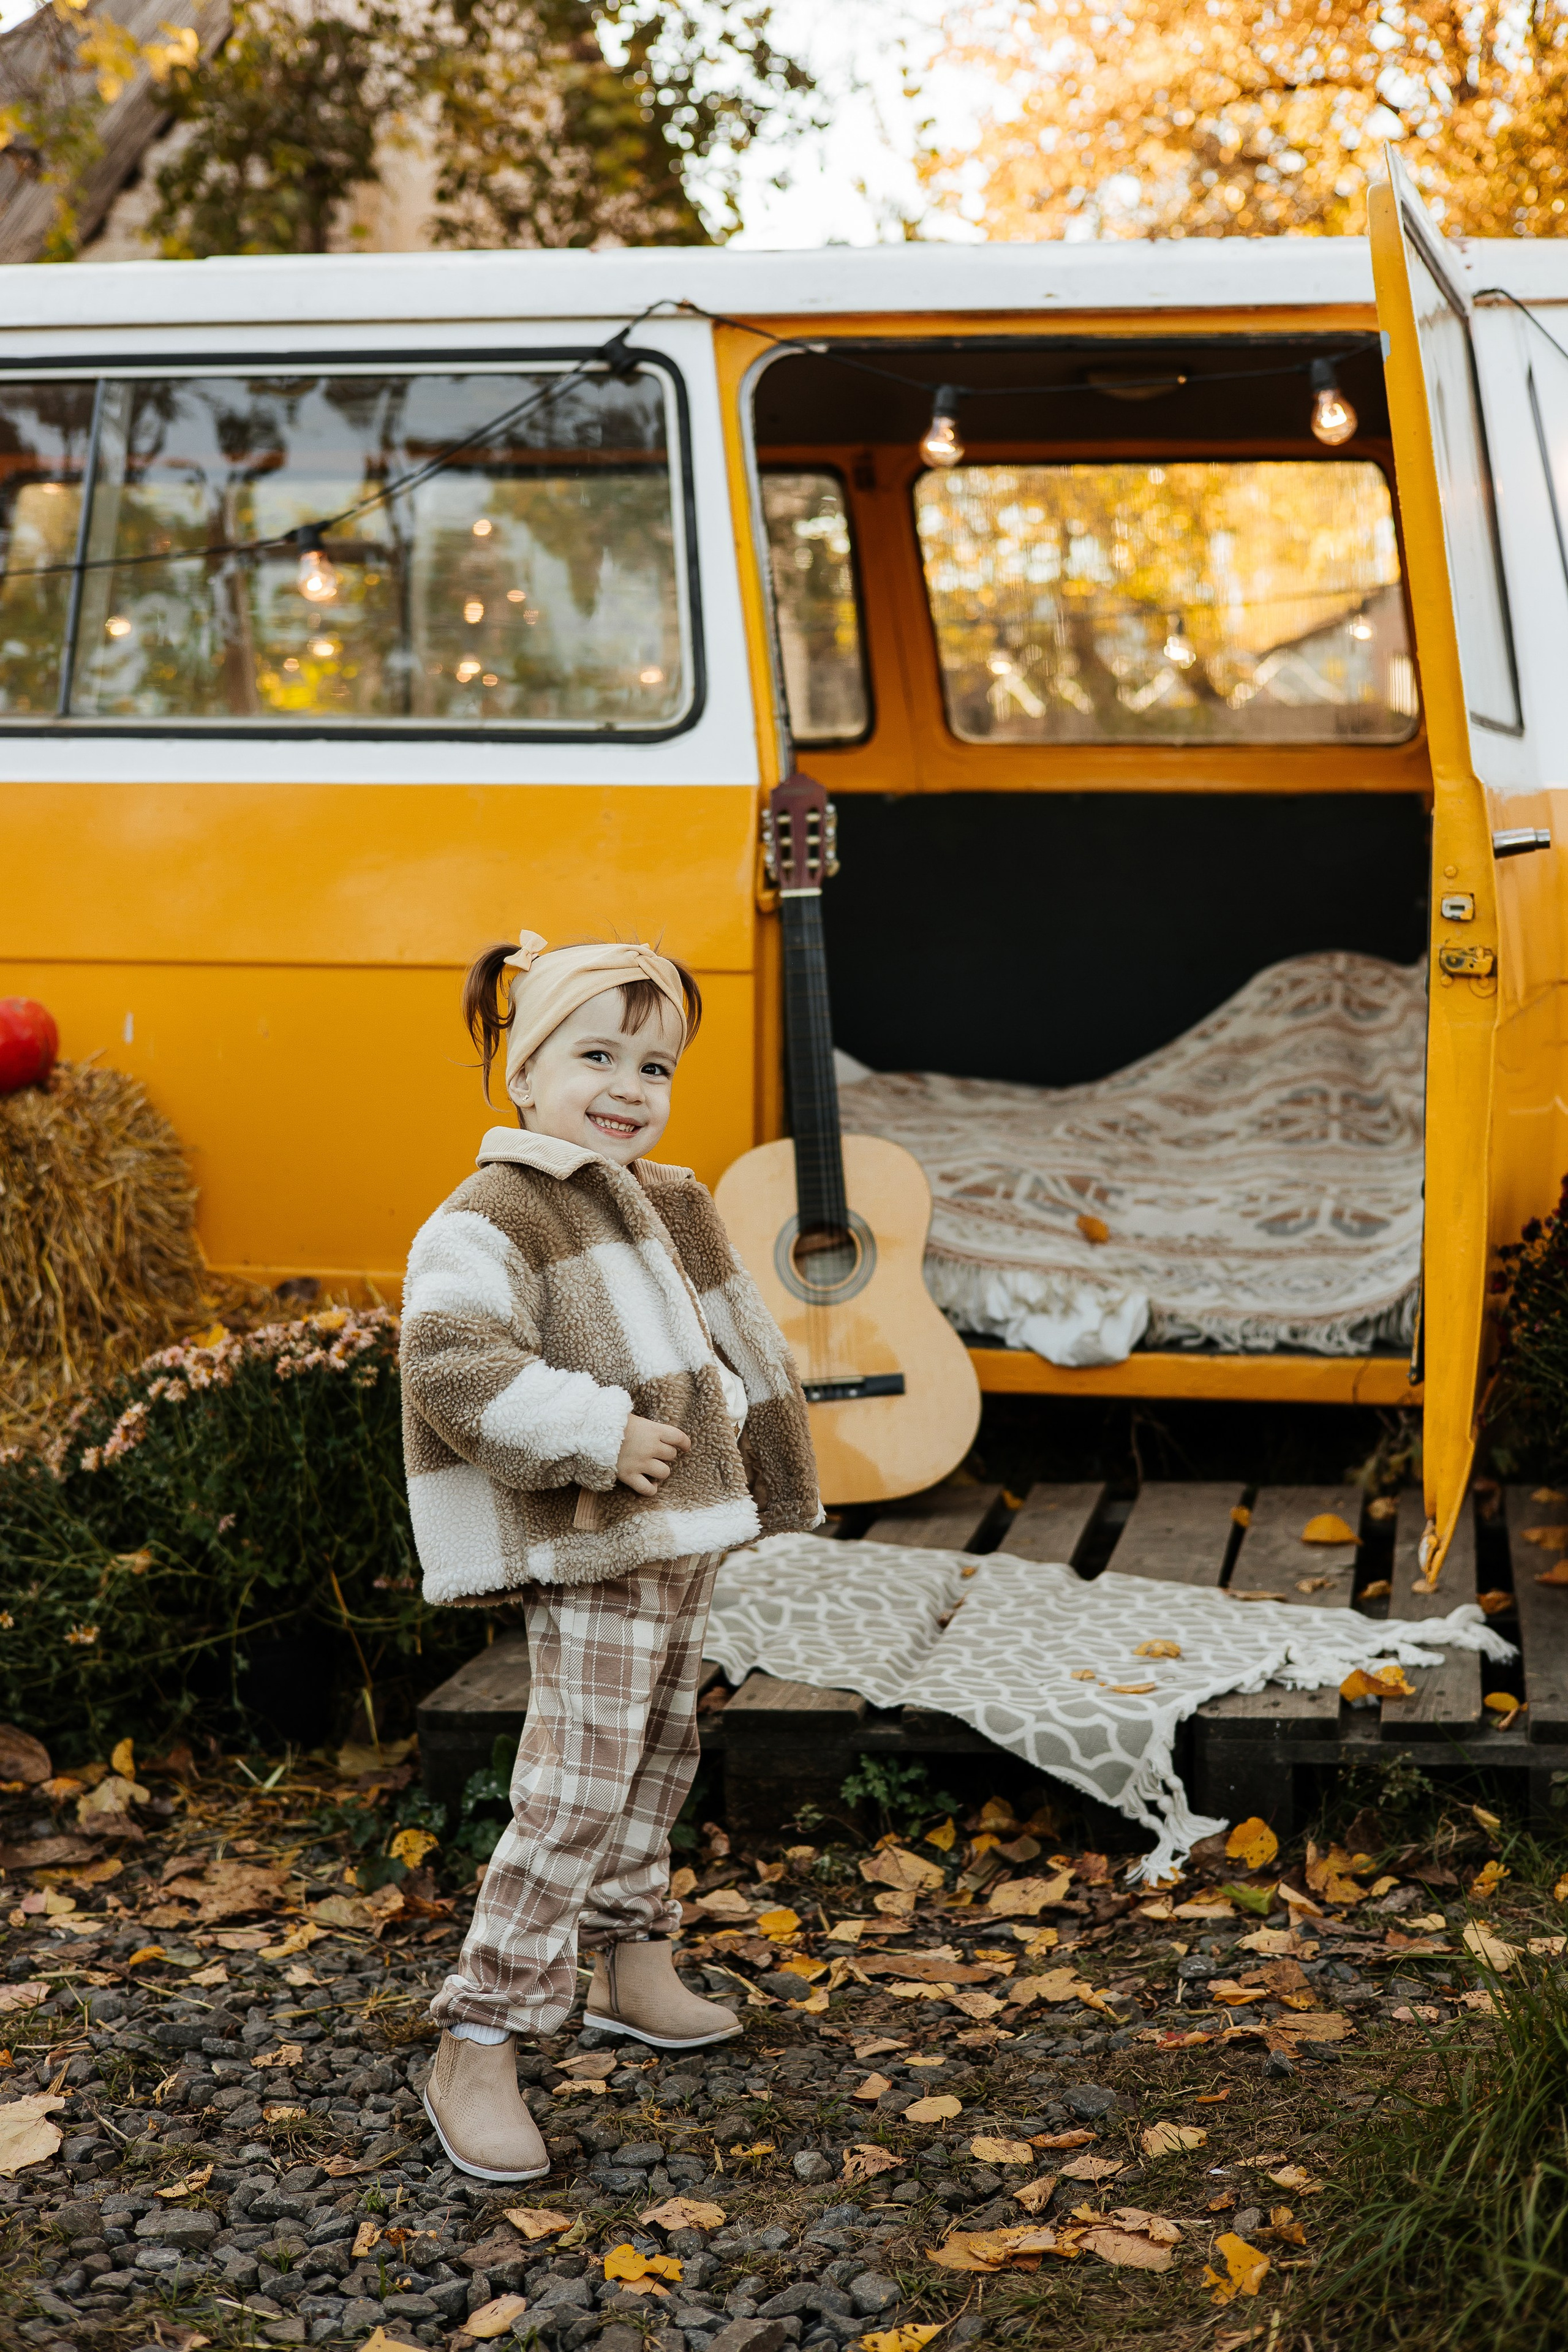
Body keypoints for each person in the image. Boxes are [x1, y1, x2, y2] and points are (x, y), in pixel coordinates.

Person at [401, 929, 820, 2182]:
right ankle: (477, 2037)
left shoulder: (674, 1198)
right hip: (593, 1538)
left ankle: (634, 1962)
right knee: (574, 1784)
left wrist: (775, 1474)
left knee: (658, 1747)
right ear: (523, 1073)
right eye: (596, 1056)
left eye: (656, 1065)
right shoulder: (492, 1213)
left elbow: (738, 1344)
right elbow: (451, 1363)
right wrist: (592, 1433)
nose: (629, 1089)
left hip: (686, 1527)